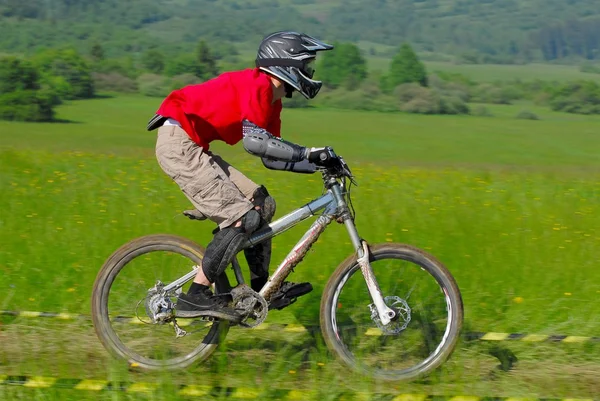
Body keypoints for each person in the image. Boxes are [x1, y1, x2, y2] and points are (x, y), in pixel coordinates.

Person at [147, 31, 337, 320]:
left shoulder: (273, 102)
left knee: (262, 203)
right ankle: (195, 296)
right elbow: (254, 143)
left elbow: (271, 155)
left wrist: (317, 163)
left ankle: (264, 289)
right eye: (306, 66)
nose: (309, 73)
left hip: (193, 144)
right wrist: (309, 152)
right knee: (241, 218)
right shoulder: (258, 85)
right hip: (179, 142)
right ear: (286, 63)